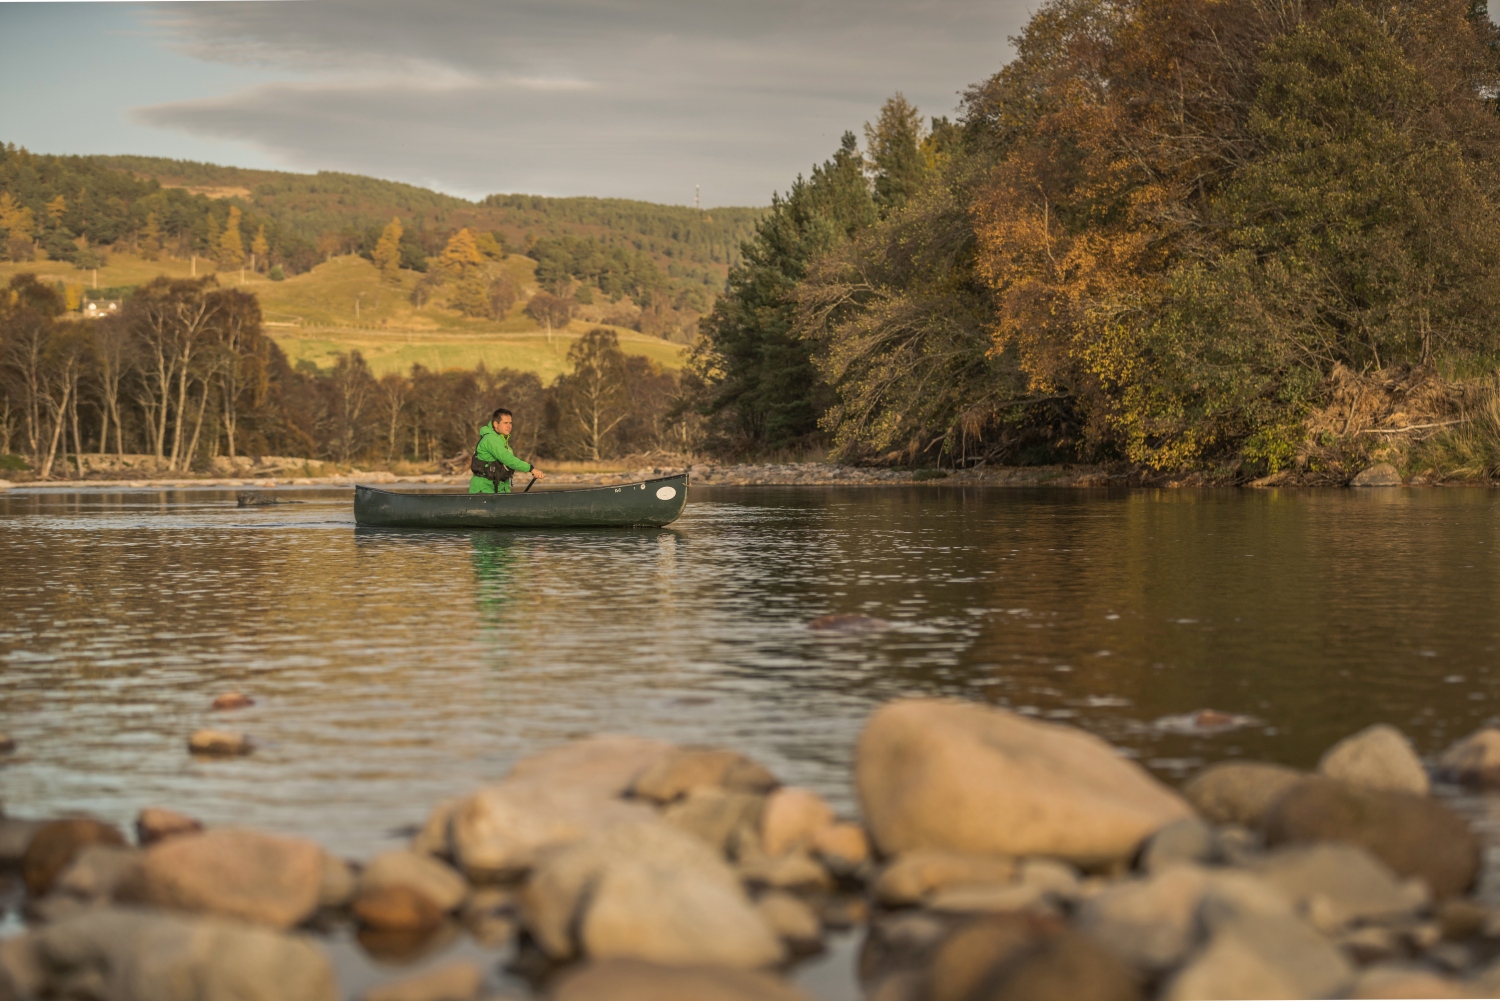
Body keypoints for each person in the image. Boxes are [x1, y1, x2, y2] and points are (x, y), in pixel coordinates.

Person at [469, 408, 545, 494]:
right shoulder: (490, 439)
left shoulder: (503, 441)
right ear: (495, 424)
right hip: (484, 489)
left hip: (498, 490)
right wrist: (531, 469)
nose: (509, 426)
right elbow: (508, 459)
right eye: (505, 423)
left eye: (510, 423)